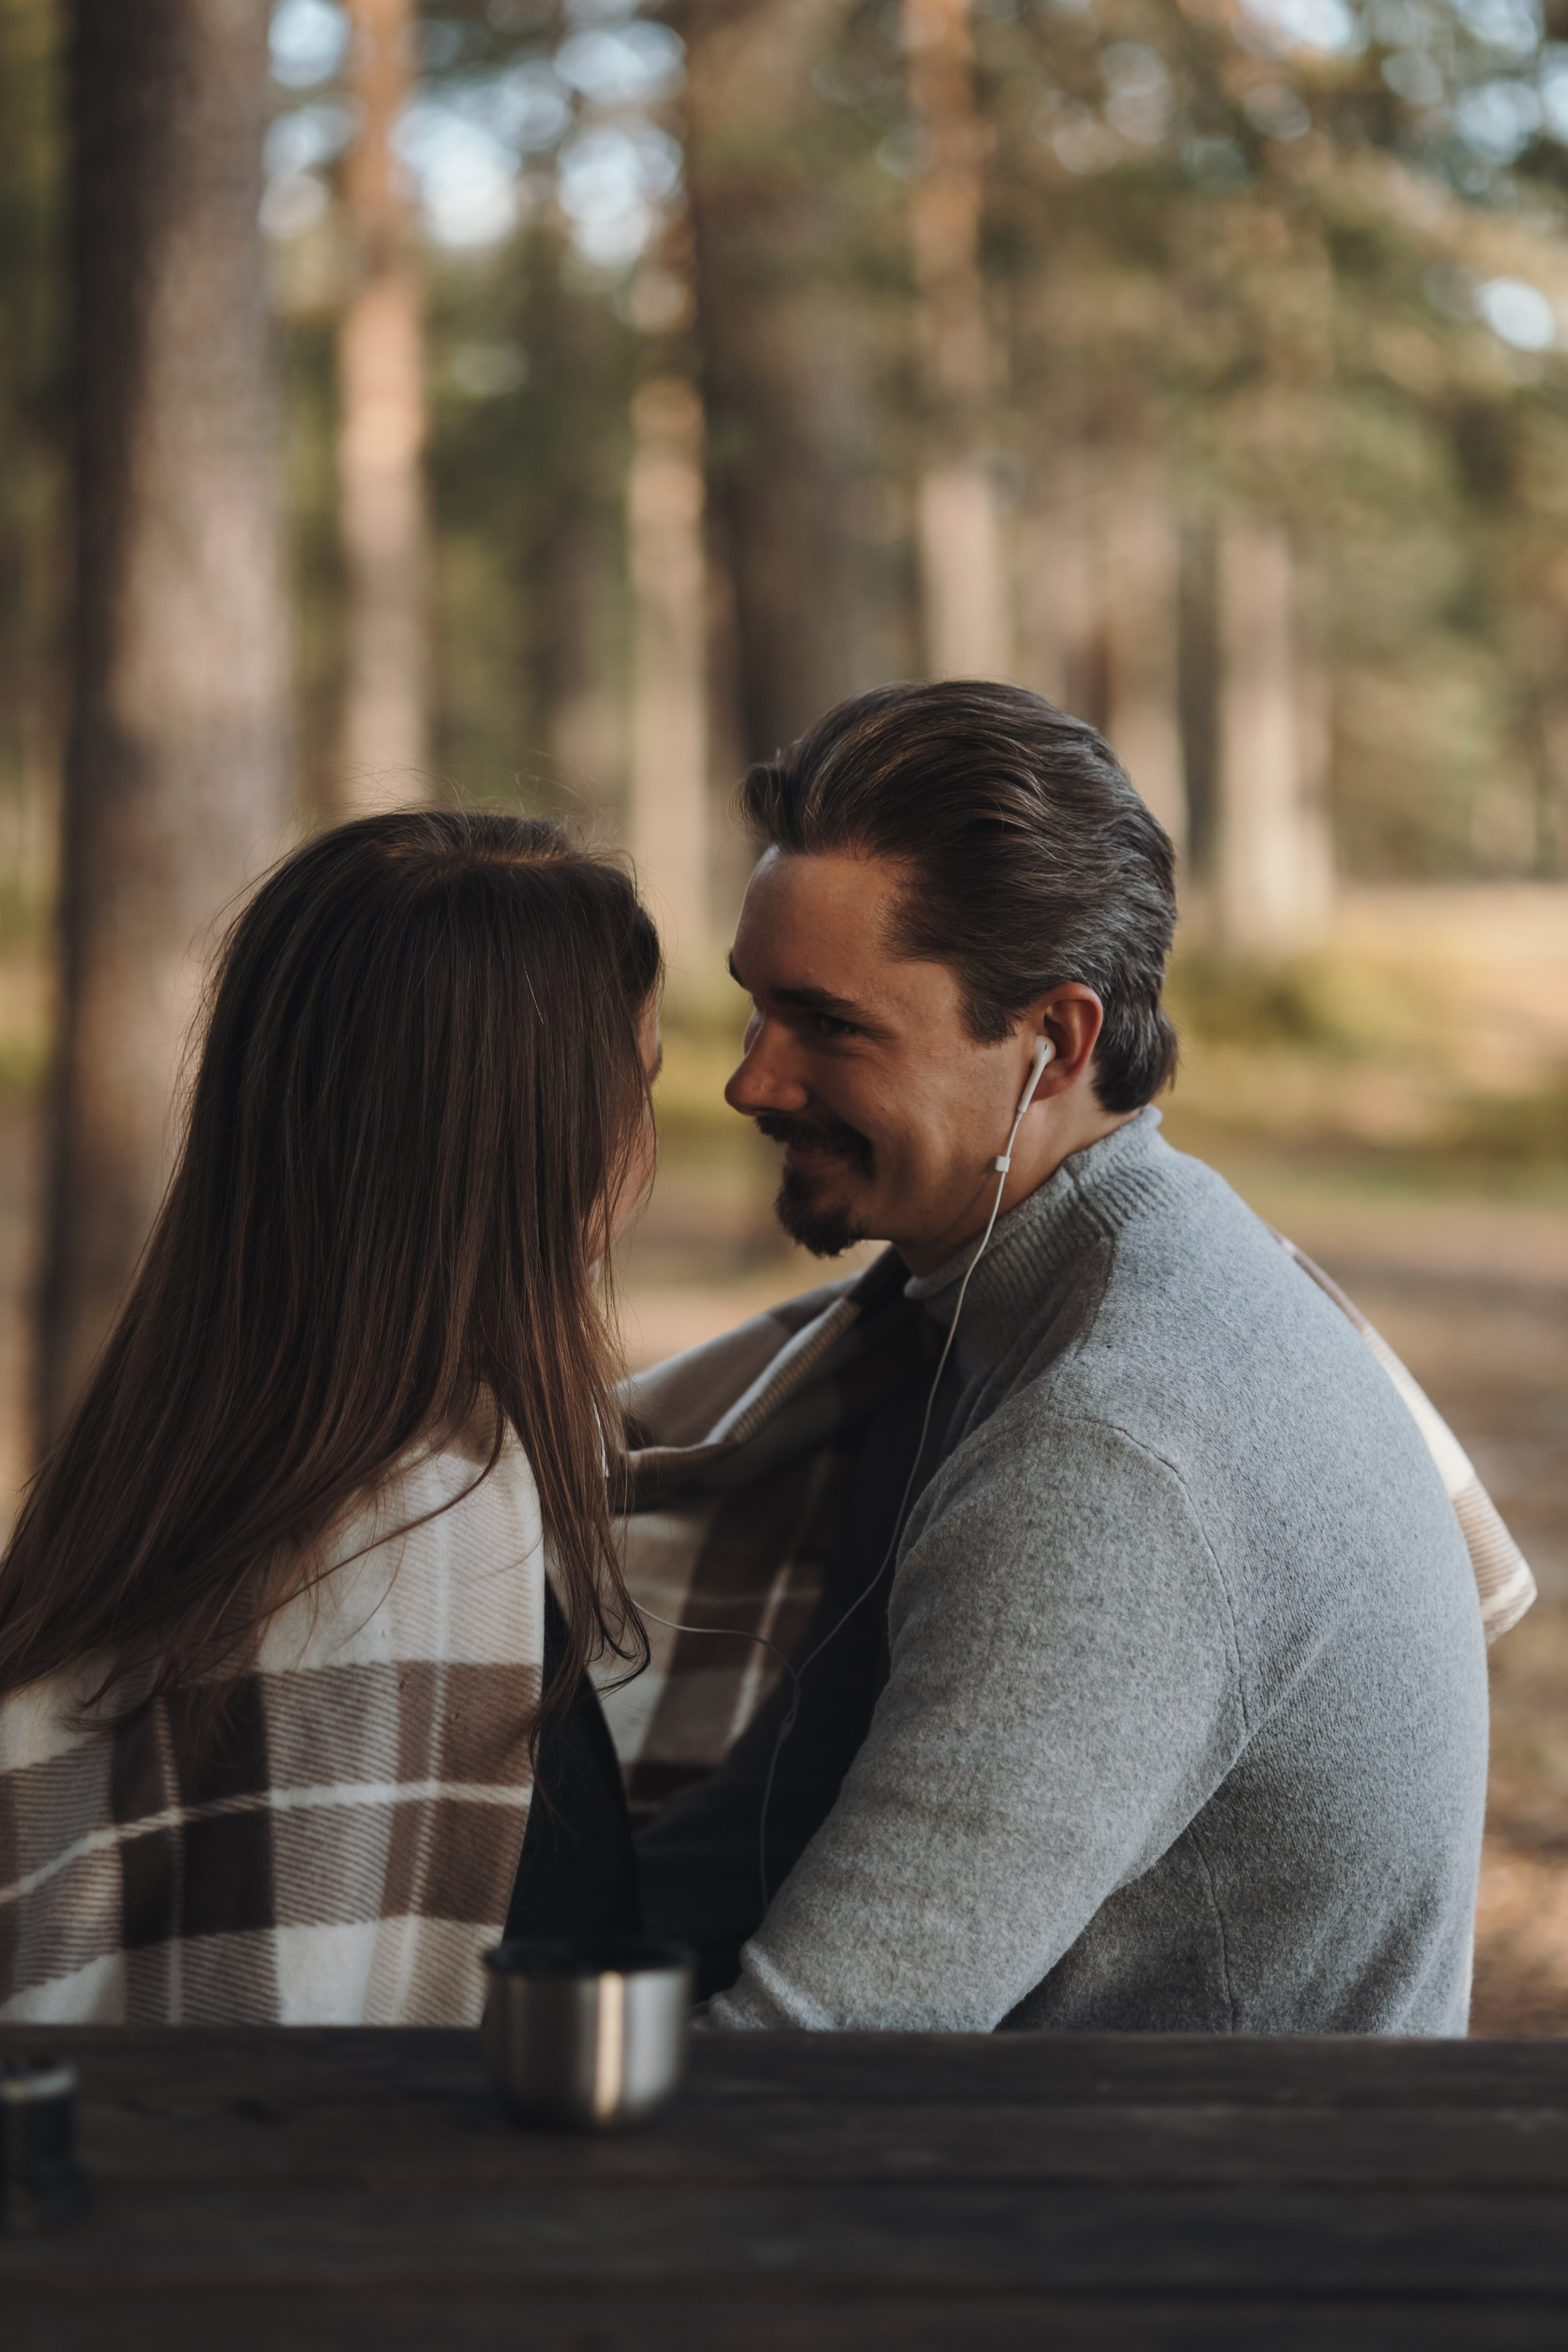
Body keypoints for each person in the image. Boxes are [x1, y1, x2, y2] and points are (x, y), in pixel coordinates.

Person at [637, 679, 1492, 2035]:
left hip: (1179, 2229)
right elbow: (740, 1852)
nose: (750, 1080)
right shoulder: (1028, 1290)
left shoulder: (1110, 1454)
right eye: (754, 1009)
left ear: (1053, 1043)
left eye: (831, 1026)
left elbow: (821, 2053)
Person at [0, 811, 660, 2024]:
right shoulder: (416, 1529)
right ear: (547, 1140)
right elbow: (286, 2069)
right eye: (641, 1084)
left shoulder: (179, 1467)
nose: (646, 1146)